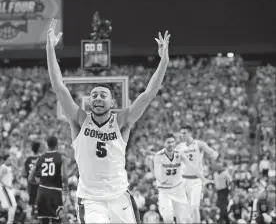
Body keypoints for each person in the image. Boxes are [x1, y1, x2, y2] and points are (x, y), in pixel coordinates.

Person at [46, 18, 170, 223]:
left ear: (113, 102)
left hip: (119, 194)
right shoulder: (79, 119)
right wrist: (50, 48)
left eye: (103, 95)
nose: (97, 98)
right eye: (94, 95)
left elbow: (148, 94)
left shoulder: (122, 120)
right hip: (91, 199)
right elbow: (59, 86)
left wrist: (163, 61)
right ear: (89, 101)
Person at [153, 133, 212, 224]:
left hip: (178, 189)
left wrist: (203, 178)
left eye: (173, 142)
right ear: (163, 143)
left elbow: (191, 166)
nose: (171, 144)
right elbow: (157, 173)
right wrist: (164, 180)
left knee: (183, 219)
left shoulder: (179, 154)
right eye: (169, 142)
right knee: (168, 219)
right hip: (165, 190)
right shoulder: (158, 155)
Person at [177, 125, 219, 223]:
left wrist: (213, 155)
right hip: (183, 180)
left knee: (195, 207)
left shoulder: (199, 144)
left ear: (190, 133)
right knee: (184, 209)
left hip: (196, 180)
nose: (182, 135)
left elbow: (214, 154)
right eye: (181, 133)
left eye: (184, 133)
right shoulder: (179, 146)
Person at [28, 136, 68, 224]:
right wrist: (66, 192)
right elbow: (64, 177)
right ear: (57, 145)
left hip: (42, 191)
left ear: (47, 145)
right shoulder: (62, 158)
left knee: (44, 220)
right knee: (57, 220)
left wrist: (41, 182)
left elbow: (30, 178)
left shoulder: (40, 158)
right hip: (55, 192)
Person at [22, 141, 42, 217]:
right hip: (40, 183)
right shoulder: (41, 158)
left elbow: (23, 173)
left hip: (30, 183)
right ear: (39, 148)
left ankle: (30, 217)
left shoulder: (28, 159)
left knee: (32, 201)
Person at [0, 154, 17, 224]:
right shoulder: (3, 167)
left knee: (12, 205)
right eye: (9, 159)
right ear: (5, 160)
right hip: (4, 188)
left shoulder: (9, 167)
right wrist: (7, 185)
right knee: (12, 205)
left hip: (7, 189)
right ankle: (9, 221)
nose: (10, 160)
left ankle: (9, 220)